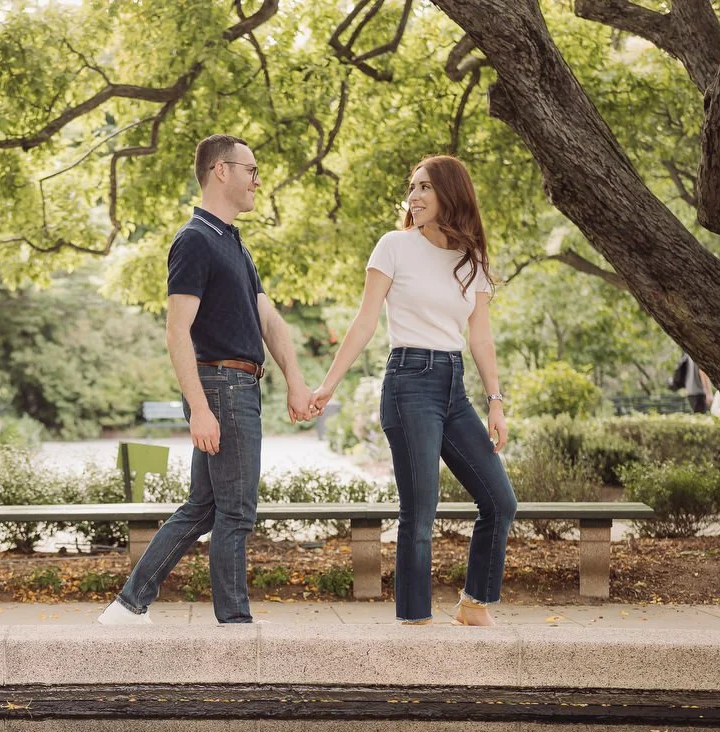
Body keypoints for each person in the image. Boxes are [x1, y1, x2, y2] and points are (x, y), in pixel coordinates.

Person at [98, 134, 314, 627]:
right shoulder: (194, 239)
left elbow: (268, 318)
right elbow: (177, 331)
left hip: (238, 387)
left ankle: (128, 607)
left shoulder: (232, 241)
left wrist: (296, 382)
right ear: (222, 171)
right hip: (223, 387)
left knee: (202, 508)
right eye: (251, 170)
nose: (258, 180)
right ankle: (235, 628)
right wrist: (199, 406)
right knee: (235, 514)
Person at [307, 155, 516, 627]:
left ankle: (473, 602)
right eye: (413, 187)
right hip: (409, 383)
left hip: (454, 388)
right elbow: (364, 322)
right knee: (420, 512)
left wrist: (496, 403)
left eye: (425, 187)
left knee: (500, 502)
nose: (414, 196)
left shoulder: (472, 260)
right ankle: (414, 619)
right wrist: (327, 385)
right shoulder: (394, 246)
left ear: (450, 194)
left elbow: (480, 337)